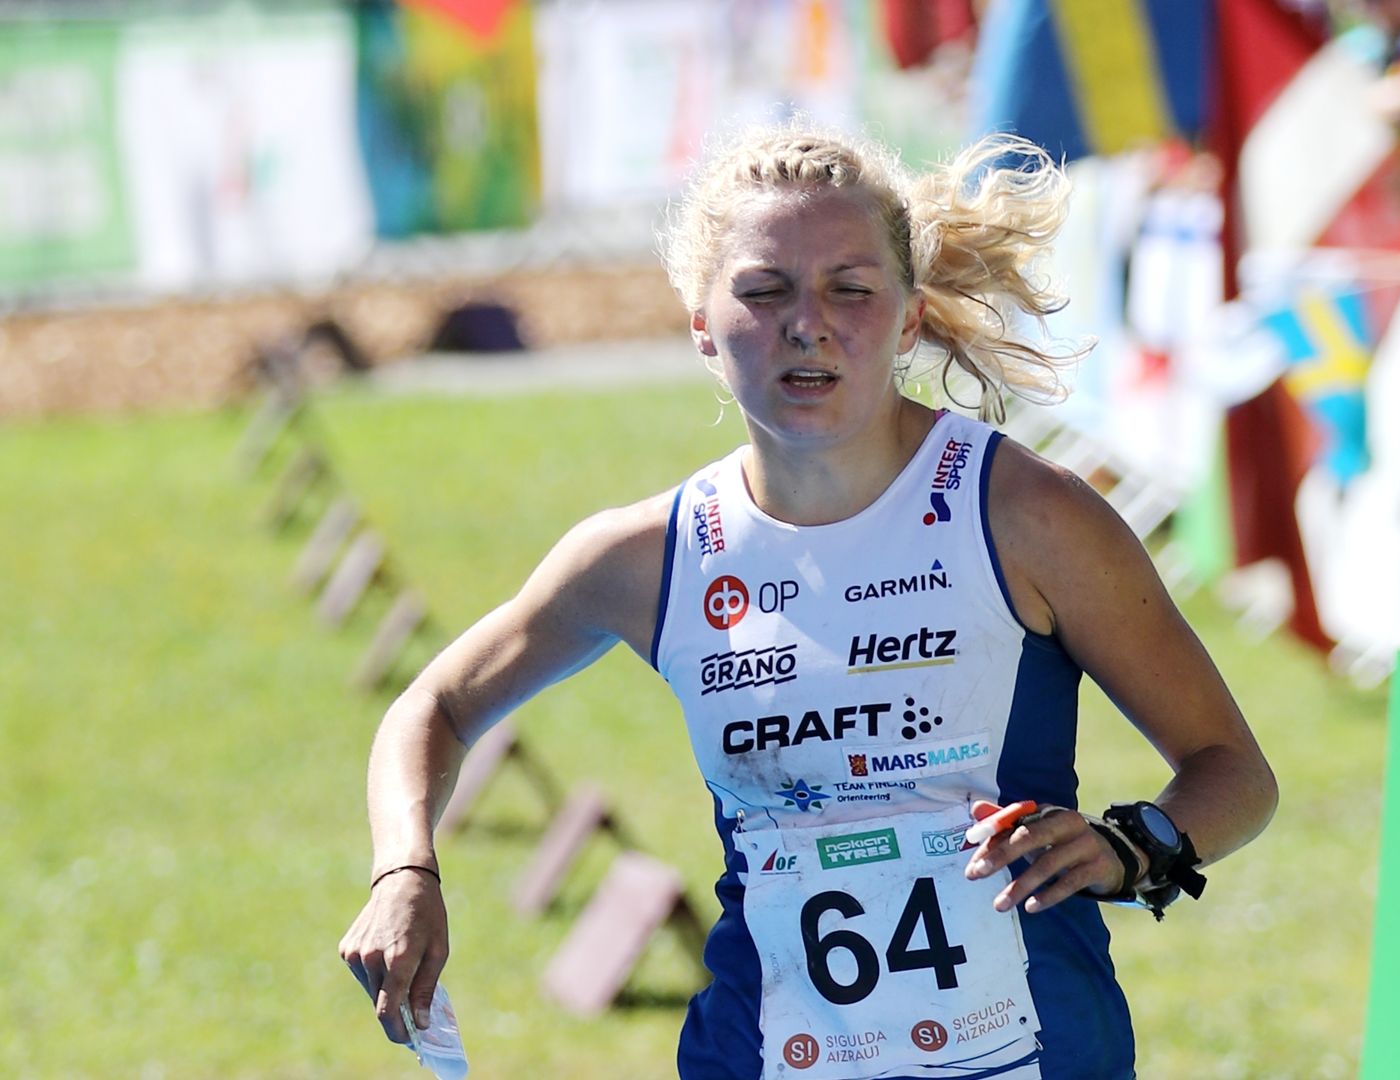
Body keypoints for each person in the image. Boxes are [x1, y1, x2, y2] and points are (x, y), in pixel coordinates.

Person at [337, 124, 1278, 1079]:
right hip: (759, 1052)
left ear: (908, 320)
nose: (807, 324)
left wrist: (1137, 846)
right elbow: (436, 706)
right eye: (764, 290)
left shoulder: (1030, 516)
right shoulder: (650, 556)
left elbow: (1234, 771)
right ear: (702, 327)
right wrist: (403, 871)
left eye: (850, 289)